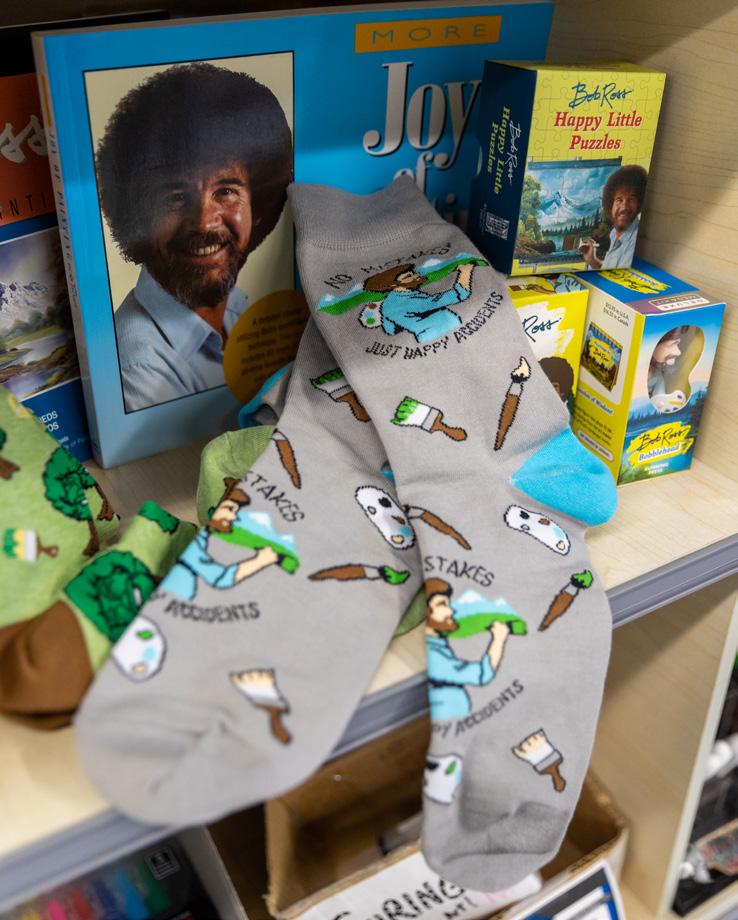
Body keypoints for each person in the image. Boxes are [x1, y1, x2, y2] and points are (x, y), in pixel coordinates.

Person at [95, 62, 293, 411]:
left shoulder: (239, 308)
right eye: (176, 197)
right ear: (136, 214)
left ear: (258, 202)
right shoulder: (140, 366)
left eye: (226, 191)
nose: (203, 223)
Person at [162, 483, 280, 602]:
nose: (233, 517)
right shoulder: (199, 547)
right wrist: (261, 560)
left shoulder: (203, 541)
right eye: (229, 509)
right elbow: (221, 578)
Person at [424, 578, 511, 720]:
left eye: (448, 604)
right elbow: (481, 674)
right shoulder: (432, 653)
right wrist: (499, 639)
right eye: (442, 604)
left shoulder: (437, 646)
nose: (451, 610)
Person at [362, 260, 474, 343]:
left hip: (427, 338)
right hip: (443, 332)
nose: (416, 275)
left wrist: (407, 321)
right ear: (393, 284)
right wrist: (465, 273)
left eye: (413, 273)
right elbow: (458, 295)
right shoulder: (409, 300)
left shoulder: (387, 304)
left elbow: (390, 330)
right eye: (409, 276)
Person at [580, 165, 648, 270]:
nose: (624, 207)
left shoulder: (636, 243)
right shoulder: (614, 234)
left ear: (639, 203)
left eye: (631, 199)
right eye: (619, 200)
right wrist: (593, 261)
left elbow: (618, 277)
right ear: (610, 205)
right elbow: (612, 270)